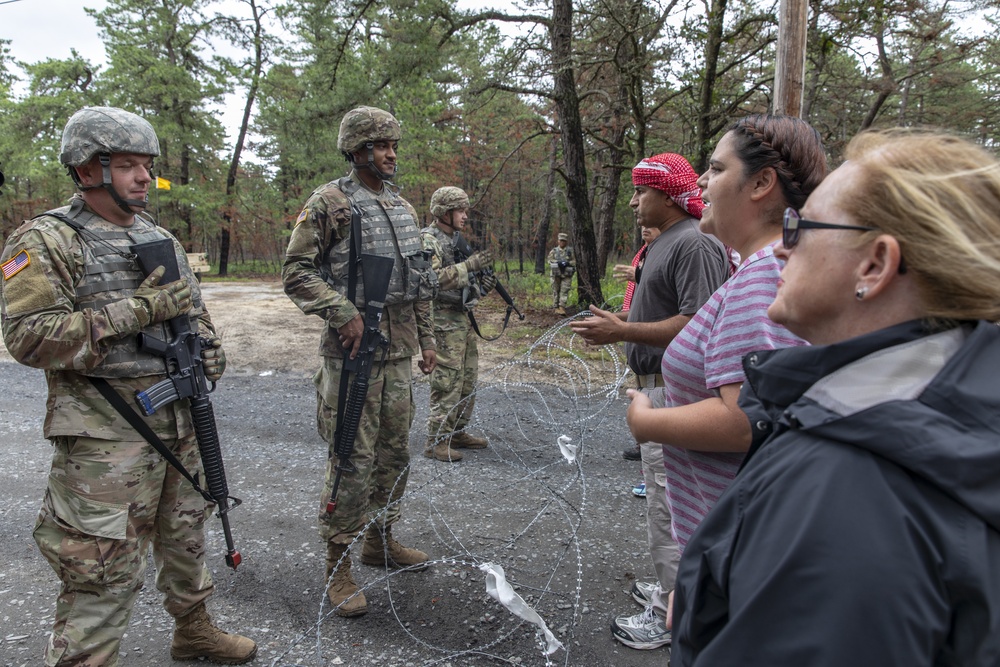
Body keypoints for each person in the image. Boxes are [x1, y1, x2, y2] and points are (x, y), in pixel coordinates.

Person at [670, 130, 1000, 666]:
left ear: (874, 265)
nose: (782, 245)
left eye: (802, 226)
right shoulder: (955, 406)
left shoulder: (848, 484)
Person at [0, 106, 256, 665]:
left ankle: (194, 628)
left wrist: (209, 345)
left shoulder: (156, 235)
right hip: (104, 436)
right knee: (101, 564)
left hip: (179, 417)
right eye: (128, 166)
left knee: (186, 534)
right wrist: (135, 311)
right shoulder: (45, 240)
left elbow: (194, 311)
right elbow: (27, 339)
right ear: (88, 170)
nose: (144, 177)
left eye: (148, 166)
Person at [626, 114, 825, 556]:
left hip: (738, 542)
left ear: (761, 183)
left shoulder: (763, 276)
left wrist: (646, 420)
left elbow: (743, 422)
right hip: (733, 539)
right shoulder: (770, 267)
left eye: (716, 169)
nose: (700, 180)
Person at [282, 106, 438, 618]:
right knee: (351, 459)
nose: (393, 154)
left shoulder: (402, 206)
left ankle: (381, 540)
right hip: (352, 355)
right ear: (358, 149)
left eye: (394, 145)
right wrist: (342, 311)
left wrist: (428, 338)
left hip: (397, 353)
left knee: (394, 455)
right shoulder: (330, 203)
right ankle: (339, 565)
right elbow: (296, 272)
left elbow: (419, 281)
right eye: (383, 145)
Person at [570, 153, 729, 651]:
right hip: (654, 384)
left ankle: (670, 615)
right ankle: (670, 589)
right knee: (664, 497)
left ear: (668, 195)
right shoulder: (668, 242)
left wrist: (623, 330)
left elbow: (698, 322)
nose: (634, 200)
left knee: (669, 504)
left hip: (674, 389)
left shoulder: (696, 242)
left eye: (642, 192)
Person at [419, 186, 494, 462]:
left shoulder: (457, 240)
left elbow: (463, 283)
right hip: (441, 321)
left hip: (460, 319)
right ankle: (435, 441)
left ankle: (456, 431)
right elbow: (432, 280)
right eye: (460, 211)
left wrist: (480, 288)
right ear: (444, 213)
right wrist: (469, 267)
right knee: (447, 381)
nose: (465, 216)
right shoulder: (429, 241)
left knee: (467, 379)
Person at [613, 225, 661, 464]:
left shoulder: (671, 251)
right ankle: (644, 443)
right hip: (640, 346)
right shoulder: (644, 253)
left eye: (651, 225)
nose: (644, 228)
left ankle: (650, 442)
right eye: (641, 225)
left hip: (660, 356)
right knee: (642, 388)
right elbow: (638, 307)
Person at [547, 232, 575, 314]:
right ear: (558, 241)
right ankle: (555, 307)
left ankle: (562, 307)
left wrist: (567, 263)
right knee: (556, 290)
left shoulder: (570, 251)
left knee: (564, 290)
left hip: (566, 275)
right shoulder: (554, 251)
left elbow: (574, 261)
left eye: (564, 241)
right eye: (561, 240)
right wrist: (558, 262)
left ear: (566, 242)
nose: (562, 242)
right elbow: (549, 260)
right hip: (556, 274)